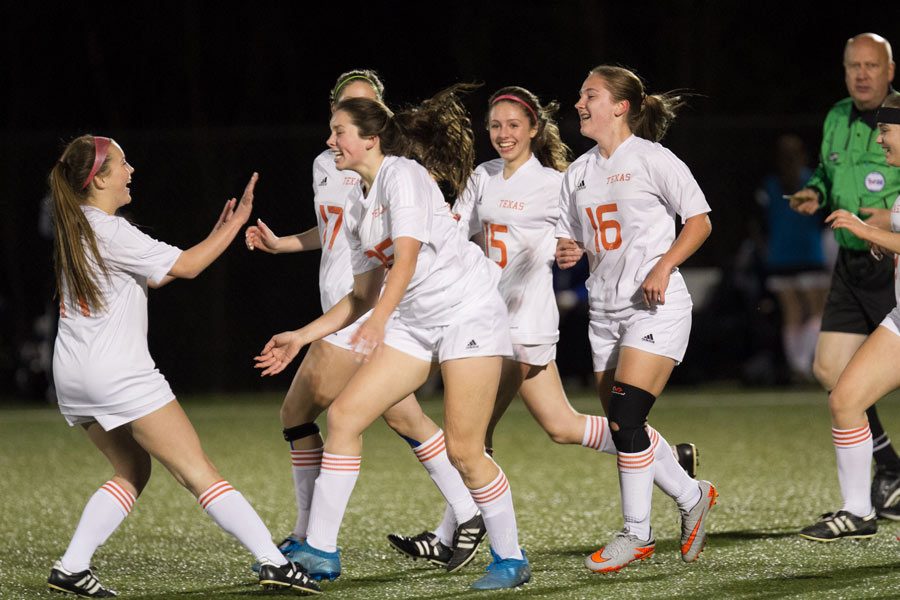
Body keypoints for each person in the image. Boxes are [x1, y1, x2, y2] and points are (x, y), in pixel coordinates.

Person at [389, 85, 703, 566]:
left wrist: (573, 252)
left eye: (513, 125)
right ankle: (669, 463)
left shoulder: (555, 180)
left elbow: (581, 233)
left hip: (523, 322)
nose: (502, 134)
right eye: (495, 125)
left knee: (472, 434)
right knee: (561, 425)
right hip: (482, 315)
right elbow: (454, 234)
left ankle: (455, 530)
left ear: (535, 128)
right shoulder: (483, 176)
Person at [254, 86, 531, 591]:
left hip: (467, 314)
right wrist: (301, 335)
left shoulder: (402, 176)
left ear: (370, 139)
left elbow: (404, 259)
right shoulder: (359, 204)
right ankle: (320, 552)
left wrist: (380, 321)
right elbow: (359, 297)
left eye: (339, 132)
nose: (331, 141)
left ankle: (510, 558)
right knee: (344, 416)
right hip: (416, 322)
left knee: (466, 451)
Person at [47, 135, 319, 596]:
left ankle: (72, 566)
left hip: (73, 375)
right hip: (119, 376)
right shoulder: (112, 229)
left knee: (133, 470)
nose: (131, 170)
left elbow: (161, 273)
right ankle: (274, 562)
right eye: (123, 163)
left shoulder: (77, 227)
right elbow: (188, 267)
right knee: (198, 470)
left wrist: (217, 233)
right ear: (99, 178)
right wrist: (236, 226)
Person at [555, 66, 717, 573]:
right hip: (602, 311)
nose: (579, 103)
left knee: (625, 419)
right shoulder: (576, 172)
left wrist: (664, 266)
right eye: (581, 95)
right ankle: (692, 495)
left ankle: (636, 535)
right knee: (629, 428)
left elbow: (700, 222)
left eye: (591, 95)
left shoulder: (652, 158)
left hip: (655, 307)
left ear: (621, 106)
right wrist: (569, 249)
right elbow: (578, 238)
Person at [788, 33, 900, 519]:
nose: (861, 74)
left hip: (889, 260)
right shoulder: (836, 117)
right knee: (831, 372)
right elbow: (826, 175)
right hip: (856, 260)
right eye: (853, 65)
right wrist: (815, 192)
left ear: (890, 70)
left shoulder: (898, 120)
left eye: (871, 65)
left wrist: (886, 222)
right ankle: (887, 469)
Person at [756, 134, 830, 381]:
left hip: (780, 257)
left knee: (792, 314)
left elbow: (760, 223)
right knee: (816, 310)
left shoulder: (770, 184)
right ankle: (801, 364)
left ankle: (796, 364)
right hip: (808, 253)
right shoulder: (811, 181)